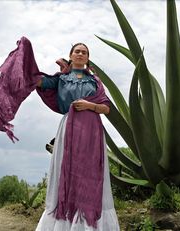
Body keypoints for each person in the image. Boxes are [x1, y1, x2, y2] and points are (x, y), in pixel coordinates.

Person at [35, 43, 120, 231]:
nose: (81, 54)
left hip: (92, 131)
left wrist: (90, 105)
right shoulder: (62, 79)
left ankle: (89, 223)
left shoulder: (95, 81)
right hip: (69, 128)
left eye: (84, 52)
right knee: (69, 170)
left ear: (87, 58)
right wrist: (26, 68)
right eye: (77, 51)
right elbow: (40, 82)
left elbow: (106, 108)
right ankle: (66, 222)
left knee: (90, 172)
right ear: (71, 56)